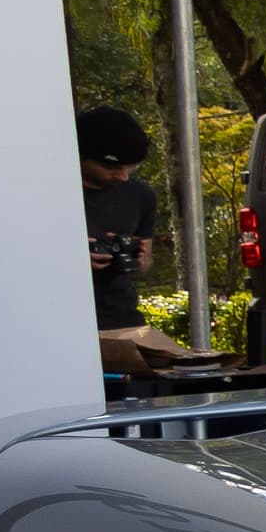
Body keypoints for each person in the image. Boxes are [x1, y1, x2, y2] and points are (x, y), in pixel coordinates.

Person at [77, 106, 198, 374]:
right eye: (112, 167)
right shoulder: (47, 191)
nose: (123, 176)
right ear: (81, 155)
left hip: (123, 321)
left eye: (130, 168)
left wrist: (139, 258)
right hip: (64, 326)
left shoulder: (141, 196)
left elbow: (144, 268)